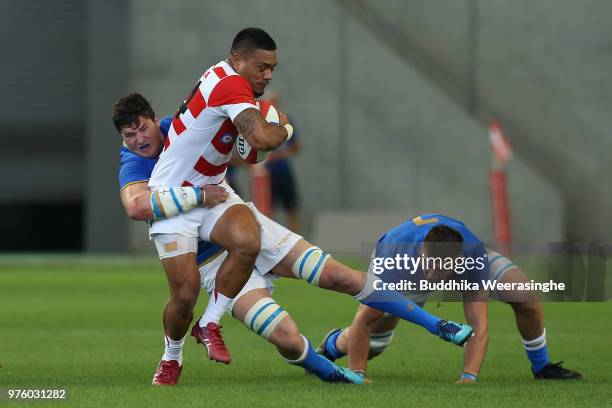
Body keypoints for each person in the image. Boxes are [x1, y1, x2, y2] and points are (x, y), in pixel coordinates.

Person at [115, 93, 475, 385]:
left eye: (142, 129)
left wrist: (275, 126)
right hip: (212, 261)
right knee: (285, 336)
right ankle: (328, 371)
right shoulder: (133, 162)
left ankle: (439, 325)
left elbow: (252, 116)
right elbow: (135, 205)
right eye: (129, 136)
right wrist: (201, 195)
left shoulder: (186, 127)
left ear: (154, 119)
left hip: (246, 226)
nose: (139, 140)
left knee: (340, 276)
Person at [316, 214, 583, 382]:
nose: (435, 278)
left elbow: (479, 324)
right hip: (400, 264)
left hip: (454, 254)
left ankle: (542, 367)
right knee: (375, 337)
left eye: (444, 270)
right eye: (432, 269)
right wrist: (358, 374)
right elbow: (363, 321)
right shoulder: (395, 262)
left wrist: (469, 377)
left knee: (524, 293)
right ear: (422, 255)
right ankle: (331, 346)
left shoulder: (471, 255)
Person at [264, 91, 301, 233]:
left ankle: (296, 238)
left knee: (292, 207)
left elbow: (296, 147)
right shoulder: (261, 123)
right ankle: (272, 240)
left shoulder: (286, 121)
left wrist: (279, 155)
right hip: (267, 174)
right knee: (268, 210)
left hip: (283, 170)